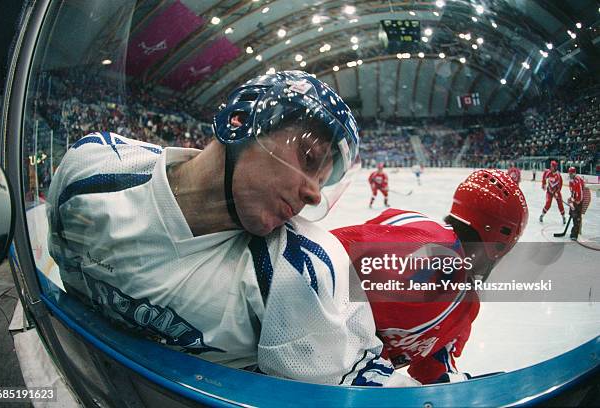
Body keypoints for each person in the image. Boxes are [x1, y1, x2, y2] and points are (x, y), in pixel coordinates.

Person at [47, 71, 417, 387]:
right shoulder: (93, 174)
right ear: (238, 120)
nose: (314, 195)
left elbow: (352, 389)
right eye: (308, 159)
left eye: (323, 181)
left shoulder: (300, 270)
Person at [331, 169, 528, 384]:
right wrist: (372, 375)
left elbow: (432, 360)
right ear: (497, 244)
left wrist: (446, 382)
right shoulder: (431, 247)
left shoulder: (466, 304)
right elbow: (319, 267)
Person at [567, 167, 585, 240]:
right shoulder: (572, 180)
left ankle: (576, 233)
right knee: (572, 214)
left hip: (581, 199)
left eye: (571, 173)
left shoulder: (578, 180)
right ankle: (576, 231)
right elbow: (573, 192)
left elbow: (580, 193)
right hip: (576, 199)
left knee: (577, 216)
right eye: (569, 173)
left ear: (574, 173)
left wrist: (578, 200)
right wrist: (571, 198)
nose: (569, 174)